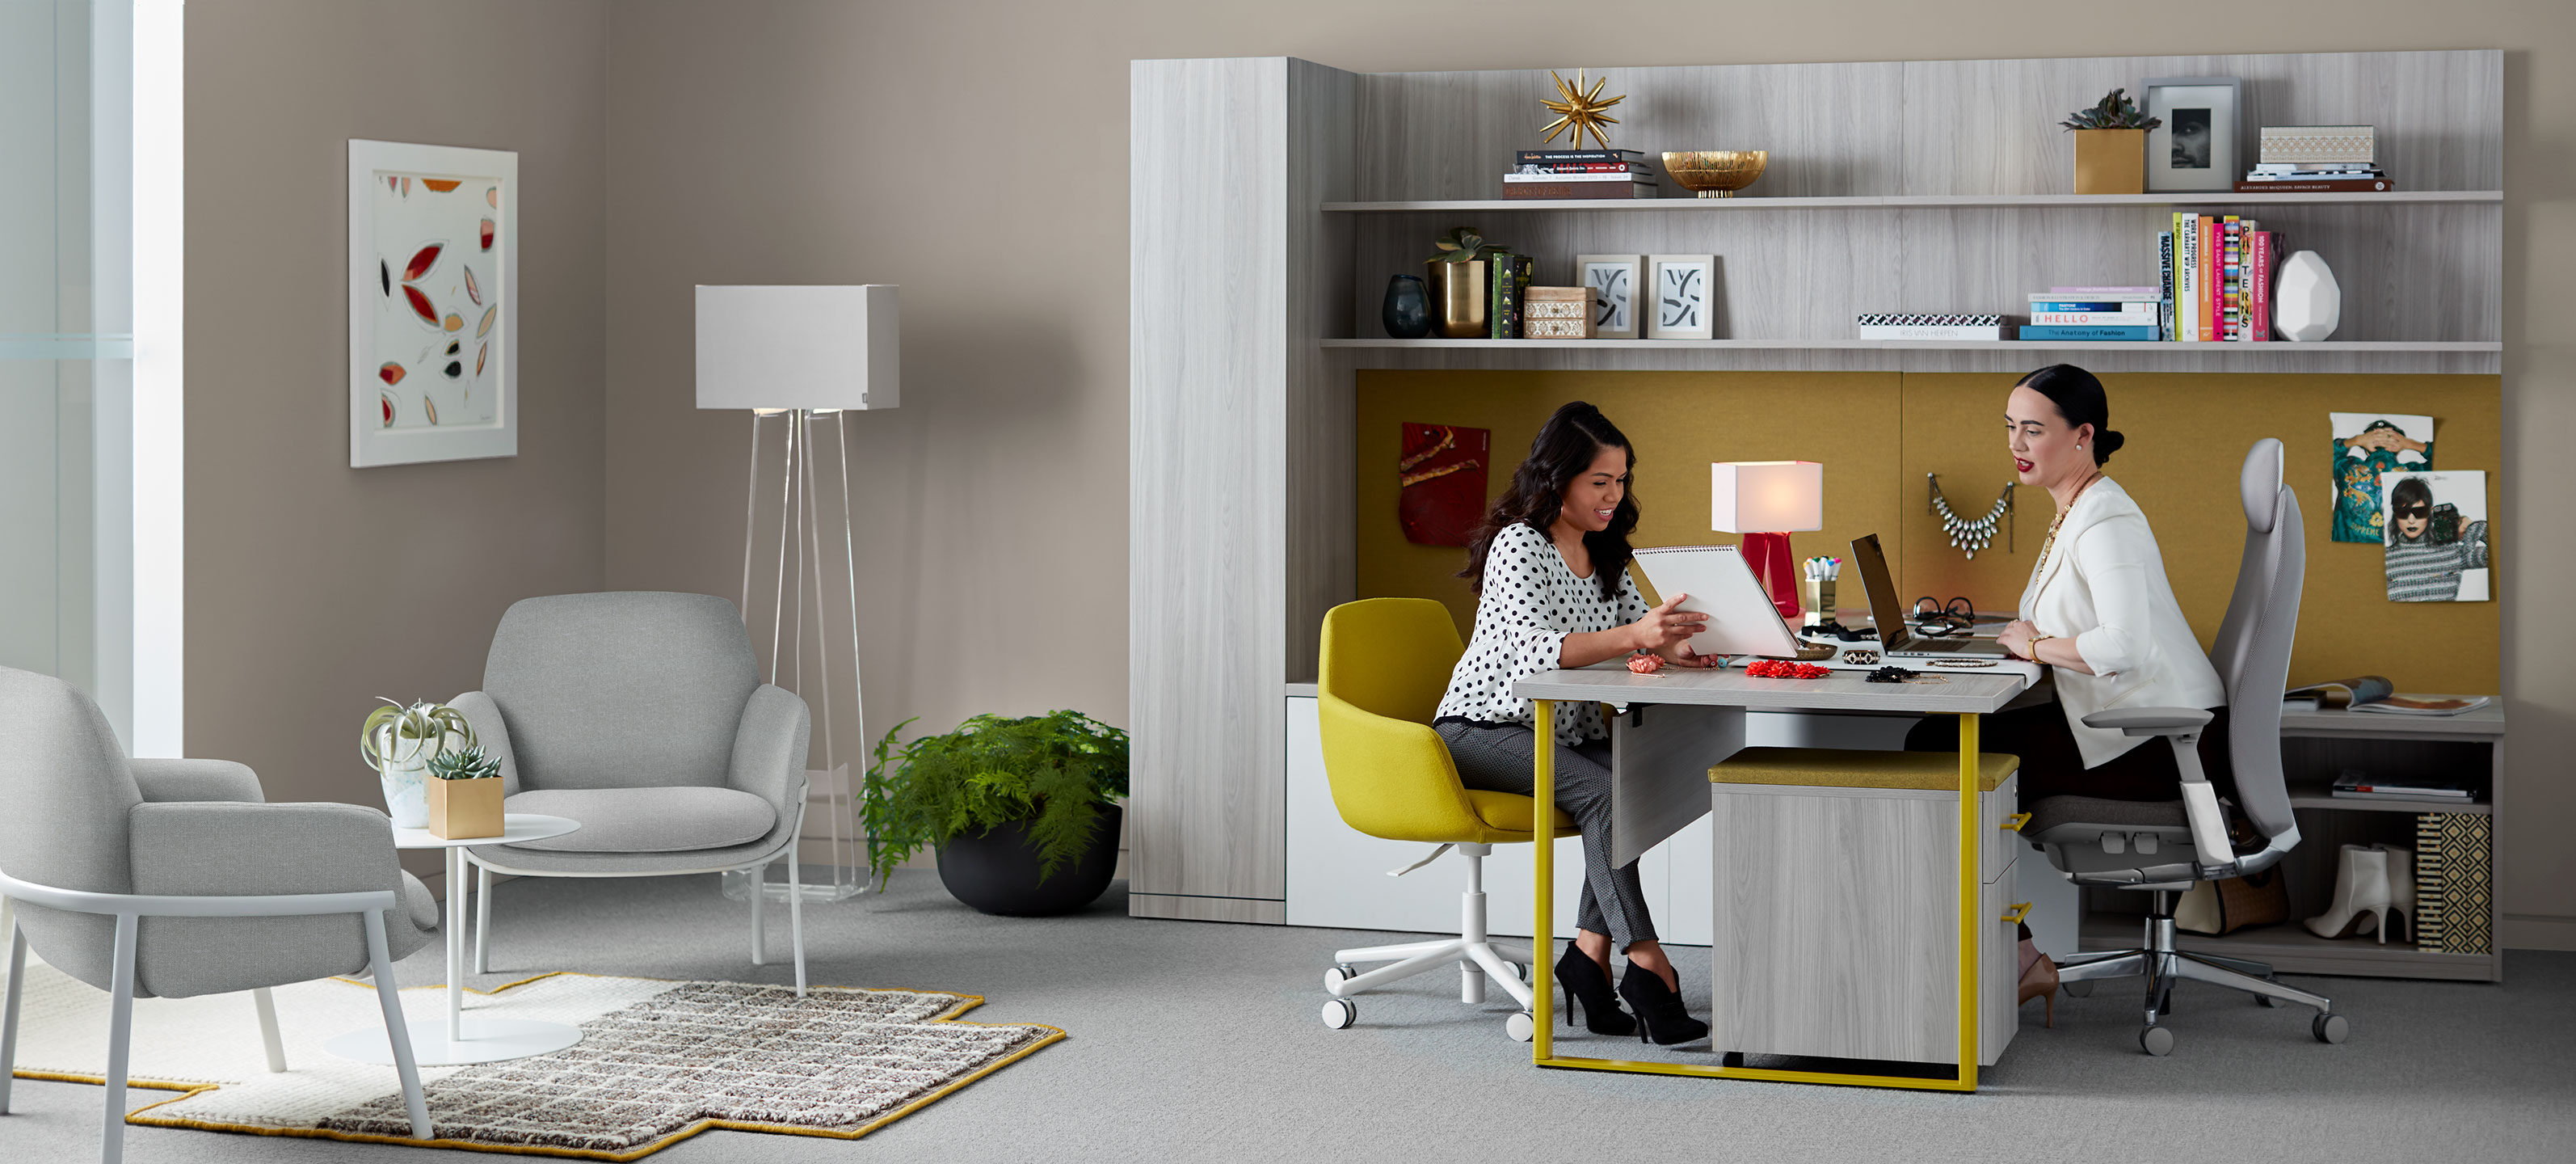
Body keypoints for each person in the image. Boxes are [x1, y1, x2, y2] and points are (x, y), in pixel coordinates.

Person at [1905, 365, 2231, 1003]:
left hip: (2162, 748)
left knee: (1938, 753)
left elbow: (2123, 645)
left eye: (2034, 429)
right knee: (1937, 740)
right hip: (2133, 728)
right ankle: (2017, 953)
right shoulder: (2077, 508)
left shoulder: (2106, 519)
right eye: (2010, 428)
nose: (2016, 445)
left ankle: (2018, 957)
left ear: (2083, 435)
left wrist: (2031, 645)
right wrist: (2023, 639)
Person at [1433, 401, 1715, 1046]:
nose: (1615, 496)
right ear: (1557, 479)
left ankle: (1587, 956)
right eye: (1600, 482)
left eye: (1621, 481)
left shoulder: (1603, 550)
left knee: (1639, 786)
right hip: (1483, 729)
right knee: (1607, 796)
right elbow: (1539, 648)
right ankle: (1647, 963)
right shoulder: (1519, 546)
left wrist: (1677, 643)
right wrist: (1634, 635)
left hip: (1558, 733)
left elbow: (1638, 632)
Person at [2383, 475, 2489, 601]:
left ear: (2430, 513)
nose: (2411, 520)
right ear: (2395, 514)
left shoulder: (2452, 552)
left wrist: (2472, 528)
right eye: (2403, 513)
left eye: (2419, 512)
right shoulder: (2385, 558)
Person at [2332, 418, 2431, 543]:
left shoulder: (2347, 468)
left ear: (2366, 449)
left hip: (2347, 549)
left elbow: (2320, 454)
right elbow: (2448, 458)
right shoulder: (2413, 472)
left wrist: (2356, 440)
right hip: (2391, 554)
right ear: (2398, 449)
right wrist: (2411, 444)